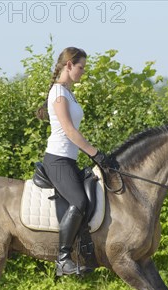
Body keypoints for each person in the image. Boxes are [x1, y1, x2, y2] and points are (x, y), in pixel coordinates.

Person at [36, 47, 114, 276]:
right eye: (81, 67)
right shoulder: (59, 93)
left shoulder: (68, 92)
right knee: (79, 201)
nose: (83, 72)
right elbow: (69, 130)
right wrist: (95, 153)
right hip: (57, 160)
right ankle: (62, 259)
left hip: (68, 159)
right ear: (69, 65)